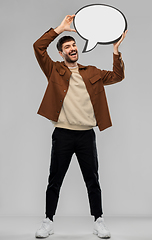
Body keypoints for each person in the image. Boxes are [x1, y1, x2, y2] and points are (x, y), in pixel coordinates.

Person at [33, 14, 127, 239]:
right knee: (54, 179)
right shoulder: (54, 70)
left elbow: (118, 76)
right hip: (63, 134)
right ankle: (48, 221)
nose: (72, 48)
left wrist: (115, 50)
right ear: (61, 53)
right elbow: (38, 47)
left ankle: (99, 221)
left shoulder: (92, 72)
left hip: (86, 135)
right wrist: (60, 28)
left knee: (92, 179)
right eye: (67, 46)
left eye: (74, 45)